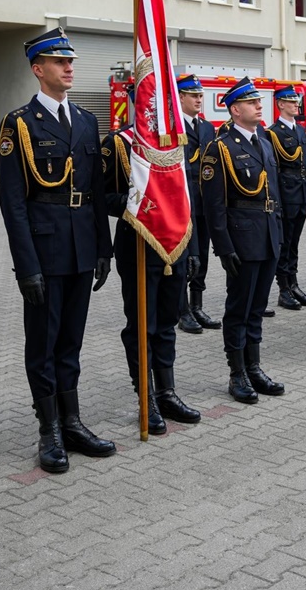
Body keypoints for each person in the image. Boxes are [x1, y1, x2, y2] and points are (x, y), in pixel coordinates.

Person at [0, 28, 116, 474]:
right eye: (58, 61)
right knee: (42, 345)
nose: (69, 68)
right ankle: (48, 431)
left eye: (71, 62)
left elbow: (97, 193)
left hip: (82, 246)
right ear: (37, 68)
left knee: (71, 343)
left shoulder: (86, 120)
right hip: (45, 251)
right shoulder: (19, 124)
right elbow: (13, 201)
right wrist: (26, 265)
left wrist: (104, 248)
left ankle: (72, 422)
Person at [101, 85, 202, 435]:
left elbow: (187, 201)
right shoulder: (118, 143)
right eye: (152, 100)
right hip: (138, 245)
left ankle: (167, 390)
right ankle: (146, 396)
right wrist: (137, 202)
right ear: (137, 100)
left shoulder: (175, 143)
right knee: (142, 324)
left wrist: (193, 250)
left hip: (175, 246)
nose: (158, 107)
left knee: (167, 323)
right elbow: (103, 197)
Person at [203, 77, 286, 402]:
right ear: (236, 110)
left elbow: (273, 194)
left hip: (267, 237)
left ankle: (254, 367)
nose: (259, 105)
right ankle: (236, 373)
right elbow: (214, 204)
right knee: (239, 308)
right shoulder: (220, 147)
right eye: (252, 102)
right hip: (242, 239)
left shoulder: (264, 143)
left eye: (258, 101)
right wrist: (223, 247)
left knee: (258, 308)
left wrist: (278, 233)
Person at [266, 85, 306, 312]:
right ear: (280, 105)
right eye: (291, 101)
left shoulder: (299, 131)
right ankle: (283, 288)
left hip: (301, 194)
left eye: (296, 101)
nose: (296, 104)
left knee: (294, 244)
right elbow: (274, 170)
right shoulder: (273, 133)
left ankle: (293, 283)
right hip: (286, 196)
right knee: (284, 244)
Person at [176, 75, 218, 335]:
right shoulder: (173, 126)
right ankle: (182, 310)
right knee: (183, 257)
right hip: (182, 200)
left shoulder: (207, 128)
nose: (199, 99)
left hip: (204, 201)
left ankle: (197, 304)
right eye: (193, 95)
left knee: (201, 254)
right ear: (180, 97)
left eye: (201, 95)